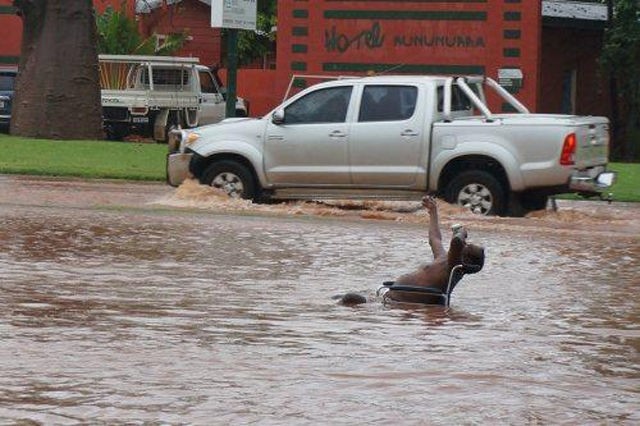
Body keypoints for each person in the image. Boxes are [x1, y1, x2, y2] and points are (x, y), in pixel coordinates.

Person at [384, 195, 485, 304]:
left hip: (405, 304)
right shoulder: (444, 258)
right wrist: (433, 211)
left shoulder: (456, 267)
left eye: (467, 246)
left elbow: (456, 242)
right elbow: (434, 238)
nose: (465, 244)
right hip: (393, 299)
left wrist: (462, 232)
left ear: (466, 259)